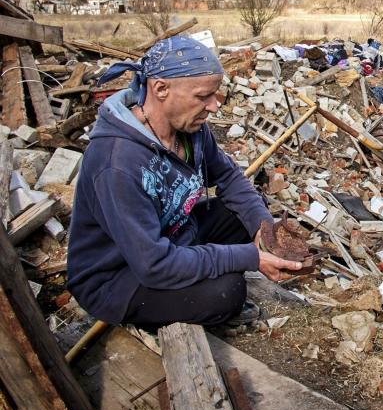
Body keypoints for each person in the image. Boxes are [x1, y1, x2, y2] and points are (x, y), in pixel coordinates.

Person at [67, 36, 303, 328]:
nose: (214, 106)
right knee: (227, 291)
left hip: (175, 235)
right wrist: (248, 257)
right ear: (161, 89)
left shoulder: (190, 129)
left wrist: (266, 234)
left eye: (216, 95)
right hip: (121, 274)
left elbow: (228, 177)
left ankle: (198, 266)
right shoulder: (116, 163)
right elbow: (153, 264)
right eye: (203, 96)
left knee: (249, 213)